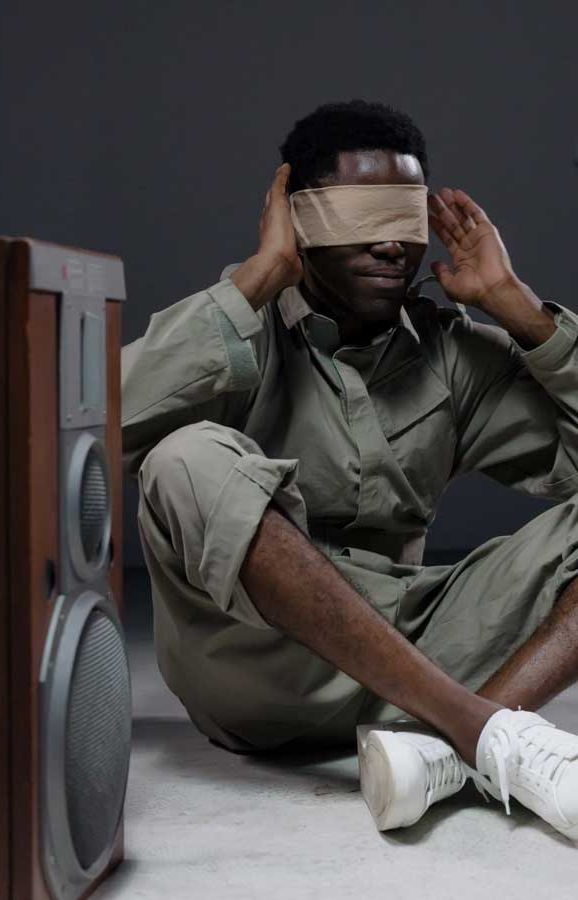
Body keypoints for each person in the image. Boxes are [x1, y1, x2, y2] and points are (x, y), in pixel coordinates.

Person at [121, 99, 578, 840]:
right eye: (361, 216)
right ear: (300, 220)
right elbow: (85, 429)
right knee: (182, 456)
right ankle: (478, 732)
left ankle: (439, 755)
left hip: (415, 654)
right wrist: (258, 279)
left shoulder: (453, 354)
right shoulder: (238, 329)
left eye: (404, 216)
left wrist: (521, 311)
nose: (391, 243)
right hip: (253, 672)